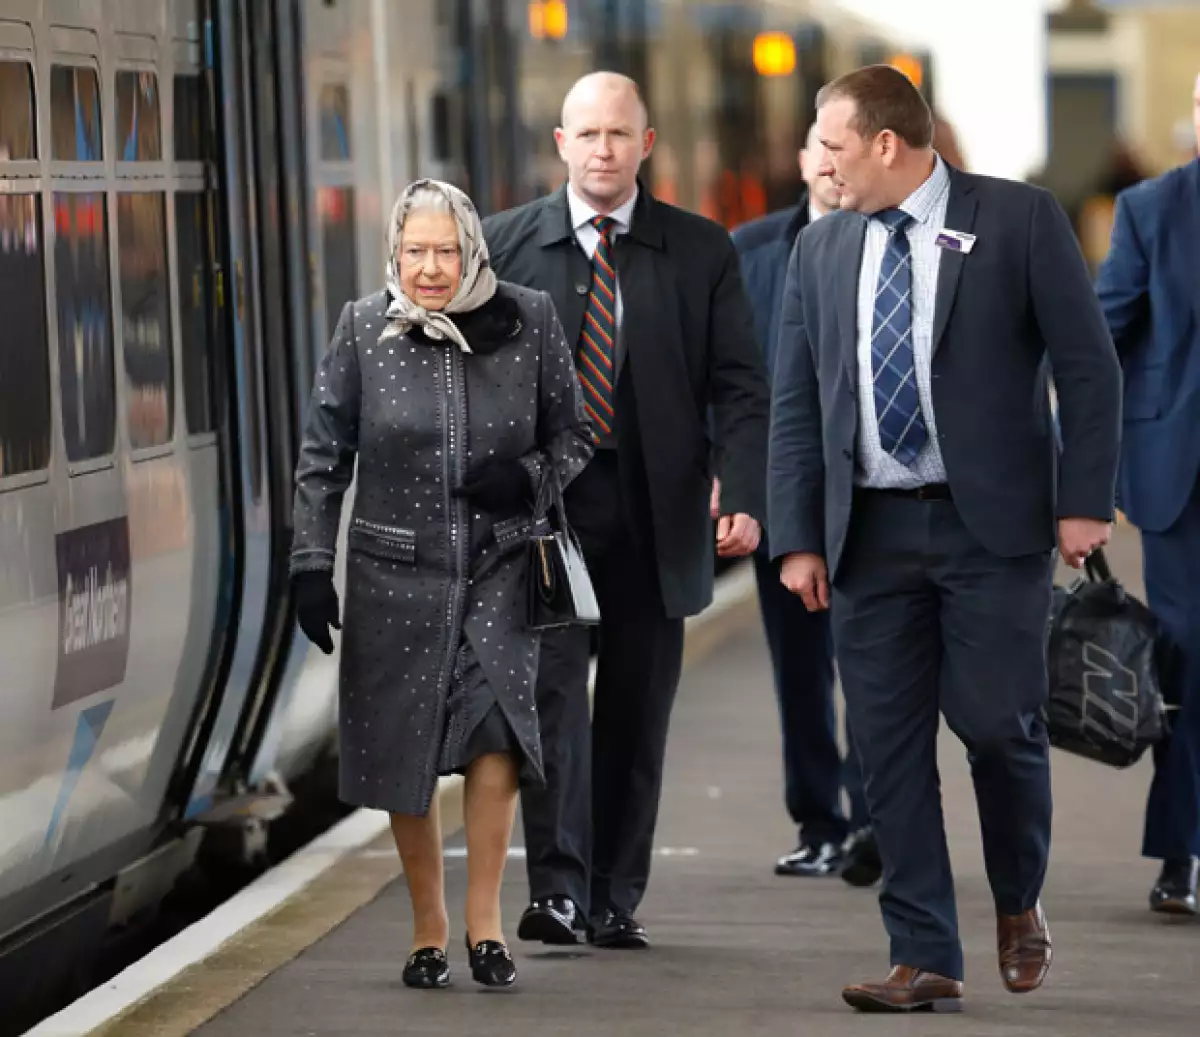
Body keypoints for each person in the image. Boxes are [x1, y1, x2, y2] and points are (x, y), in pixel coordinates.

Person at [768, 66, 1121, 1012]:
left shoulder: (1019, 219)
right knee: (885, 747)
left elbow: (1089, 367)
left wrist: (1085, 500)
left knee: (998, 725)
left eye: (833, 146)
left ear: (886, 144)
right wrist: (798, 534)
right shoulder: (819, 248)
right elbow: (797, 401)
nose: (820, 165)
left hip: (990, 529)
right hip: (868, 532)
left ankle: (1017, 898)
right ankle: (923, 951)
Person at [484, 71, 769, 949]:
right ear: (560, 145)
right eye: (587, 134)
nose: (602, 150)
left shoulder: (701, 249)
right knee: (553, 700)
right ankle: (559, 891)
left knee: (638, 711)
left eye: (618, 135)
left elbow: (740, 385)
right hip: (548, 516)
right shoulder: (504, 246)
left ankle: (614, 896)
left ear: (646, 144)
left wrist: (742, 489)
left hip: (658, 510)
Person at [289, 179, 593, 990]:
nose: (429, 268)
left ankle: (484, 923)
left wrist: (527, 477)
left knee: (496, 737)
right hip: (394, 573)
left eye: (446, 251)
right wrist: (311, 563)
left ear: (473, 252)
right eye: (414, 251)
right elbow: (323, 456)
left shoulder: (529, 319)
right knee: (405, 748)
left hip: (500, 564)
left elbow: (575, 436)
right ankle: (428, 927)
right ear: (394, 252)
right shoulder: (364, 328)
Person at [730, 120, 876, 885]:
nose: (829, 161)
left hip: (878, 499)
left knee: (877, 667)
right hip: (784, 494)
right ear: (800, 159)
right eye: (819, 145)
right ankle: (820, 824)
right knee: (800, 671)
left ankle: (876, 822)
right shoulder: (750, 249)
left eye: (842, 146)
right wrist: (731, 480)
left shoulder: (895, 242)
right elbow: (725, 376)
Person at [1094, 71, 1200, 918]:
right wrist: (1084, 475)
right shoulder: (1152, 209)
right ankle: (1183, 847)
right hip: (1181, 478)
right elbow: (1101, 339)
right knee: (1188, 655)